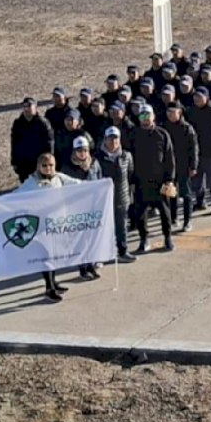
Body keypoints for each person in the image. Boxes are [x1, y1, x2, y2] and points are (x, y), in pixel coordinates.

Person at [16, 153, 82, 302]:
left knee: (53, 255)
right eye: (44, 166)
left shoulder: (59, 178)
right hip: (41, 226)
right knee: (45, 257)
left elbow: (76, 183)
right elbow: (16, 195)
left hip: (56, 224)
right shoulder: (32, 183)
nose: (48, 168)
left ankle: (54, 282)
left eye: (51, 165)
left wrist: (98, 185)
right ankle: (49, 287)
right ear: (38, 166)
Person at [59, 136, 105, 280]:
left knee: (91, 238)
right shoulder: (68, 167)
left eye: (84, 150)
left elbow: (100, 181)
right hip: (77, 208)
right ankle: (83, 269)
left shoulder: (94, 164)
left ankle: (91, 265)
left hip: (92, 206)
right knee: (80, 240)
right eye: (79, 151)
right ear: (74, 152)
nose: (82, 153)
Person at [132, 104, 176, 254]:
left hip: (160, 181)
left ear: (153, 116)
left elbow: (169, 158)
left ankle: (168, 237)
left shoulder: (162, 134)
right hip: (140, 181)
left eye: (148, 115)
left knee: (165, 212)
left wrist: (169, 179)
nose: (145, 119)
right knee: (140, 213)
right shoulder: (134, 134)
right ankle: (143, 240)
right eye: (142, 116)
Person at [96, 127, 136, 263]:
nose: (113, 141)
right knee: (103, 228)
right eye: (110, 138)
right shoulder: (97, 157)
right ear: (105, 140)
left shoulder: (126, 156)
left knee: (121, 226)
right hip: (103, 199)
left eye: (116, 138)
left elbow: (130, 173)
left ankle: (123, 251)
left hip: (121, 196)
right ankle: (101, 255)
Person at [188, 88, 211, 215]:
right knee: (197, 180)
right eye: (195, 97)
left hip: (210, 151)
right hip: (196, 151)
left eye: (200, 97)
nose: (197, 100)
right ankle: (200, 202)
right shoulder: (191, 112)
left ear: (206, 97)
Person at [164, 102, 199, 232]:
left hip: (184, 165)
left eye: (173, 112)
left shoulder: (187, 128)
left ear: (179, 113)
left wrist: (193, 166)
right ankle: (173, 218)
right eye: (168, 112)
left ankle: (187, 220)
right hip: (169, 166)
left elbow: (194, 148)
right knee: (170, 193)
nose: (170, 115)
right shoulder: (164, 127)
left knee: (186, 194)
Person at [11, 97, 54, 183]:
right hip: (23, 164)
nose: (26, 109)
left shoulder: (43, 123)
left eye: (29, 106)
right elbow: (14, 143)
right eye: (24, 106)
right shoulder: (18, 123)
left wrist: (48, 162)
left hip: (39, 163)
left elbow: (49, 144)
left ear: (36, 107)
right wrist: (14, 161)